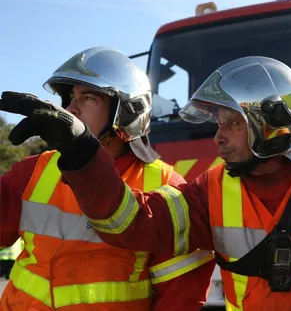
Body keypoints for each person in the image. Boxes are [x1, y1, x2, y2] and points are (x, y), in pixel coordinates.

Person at [1, 56, 291, 311]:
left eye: (231, 123)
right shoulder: (210, 187)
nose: (217, 138)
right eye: (218, 124)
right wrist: (82, 151)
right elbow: (132, 223)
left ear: (273, 123)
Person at [0, 47, 215, 310]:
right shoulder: (34, 170)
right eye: (70, 98)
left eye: (88, 98)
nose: (71, 109)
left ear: (127, 111)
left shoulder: (167, 186)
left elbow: (180, 297)